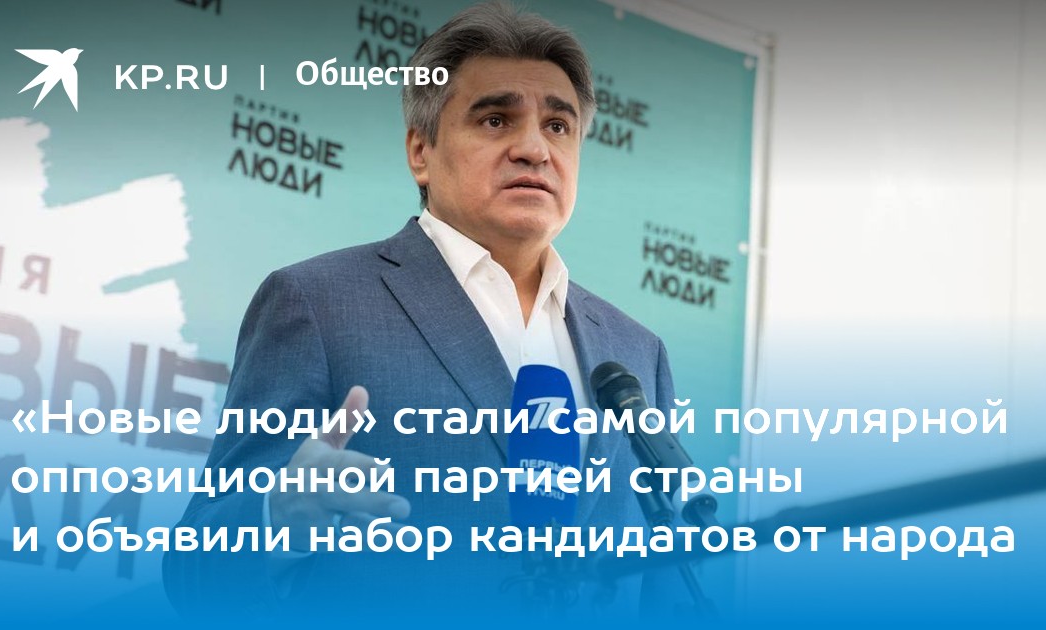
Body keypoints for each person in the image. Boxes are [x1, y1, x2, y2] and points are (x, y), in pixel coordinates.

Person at [163, 2, 678, 621]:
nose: (534, 149)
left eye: (558, 126)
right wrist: (277, 516)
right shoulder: (319, 304)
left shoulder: (637, 354)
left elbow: (664, 593)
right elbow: (194, 573)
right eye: (496, 119)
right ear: (421, 151)